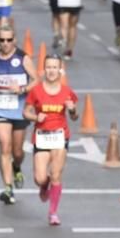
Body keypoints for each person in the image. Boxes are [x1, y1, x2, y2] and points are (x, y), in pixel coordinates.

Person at [0, 26, 37, 206]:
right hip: (0, 110)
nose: (5, 44)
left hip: (19, 111)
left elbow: (36, 79)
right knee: (5, 146)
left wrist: (23, 89)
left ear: (14, 40)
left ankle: (17, 166)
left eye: (8, 40)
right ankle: (8, 188)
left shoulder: (22, 58)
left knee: (17, 152)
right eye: (1, 40)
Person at [24, 54, 79, 226]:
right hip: (41, 138)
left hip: (60, 137)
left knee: (56, 174)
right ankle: (43, 186)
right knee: (40, 178)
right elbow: (26, 112)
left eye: (55, 67)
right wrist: (35, 117)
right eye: (48, 67)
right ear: (44, 70)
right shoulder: (36, 91)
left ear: (60, 70)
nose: (51, 71)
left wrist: (72, 110)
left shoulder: (67, 92)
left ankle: (53, 213)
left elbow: (75, 117)